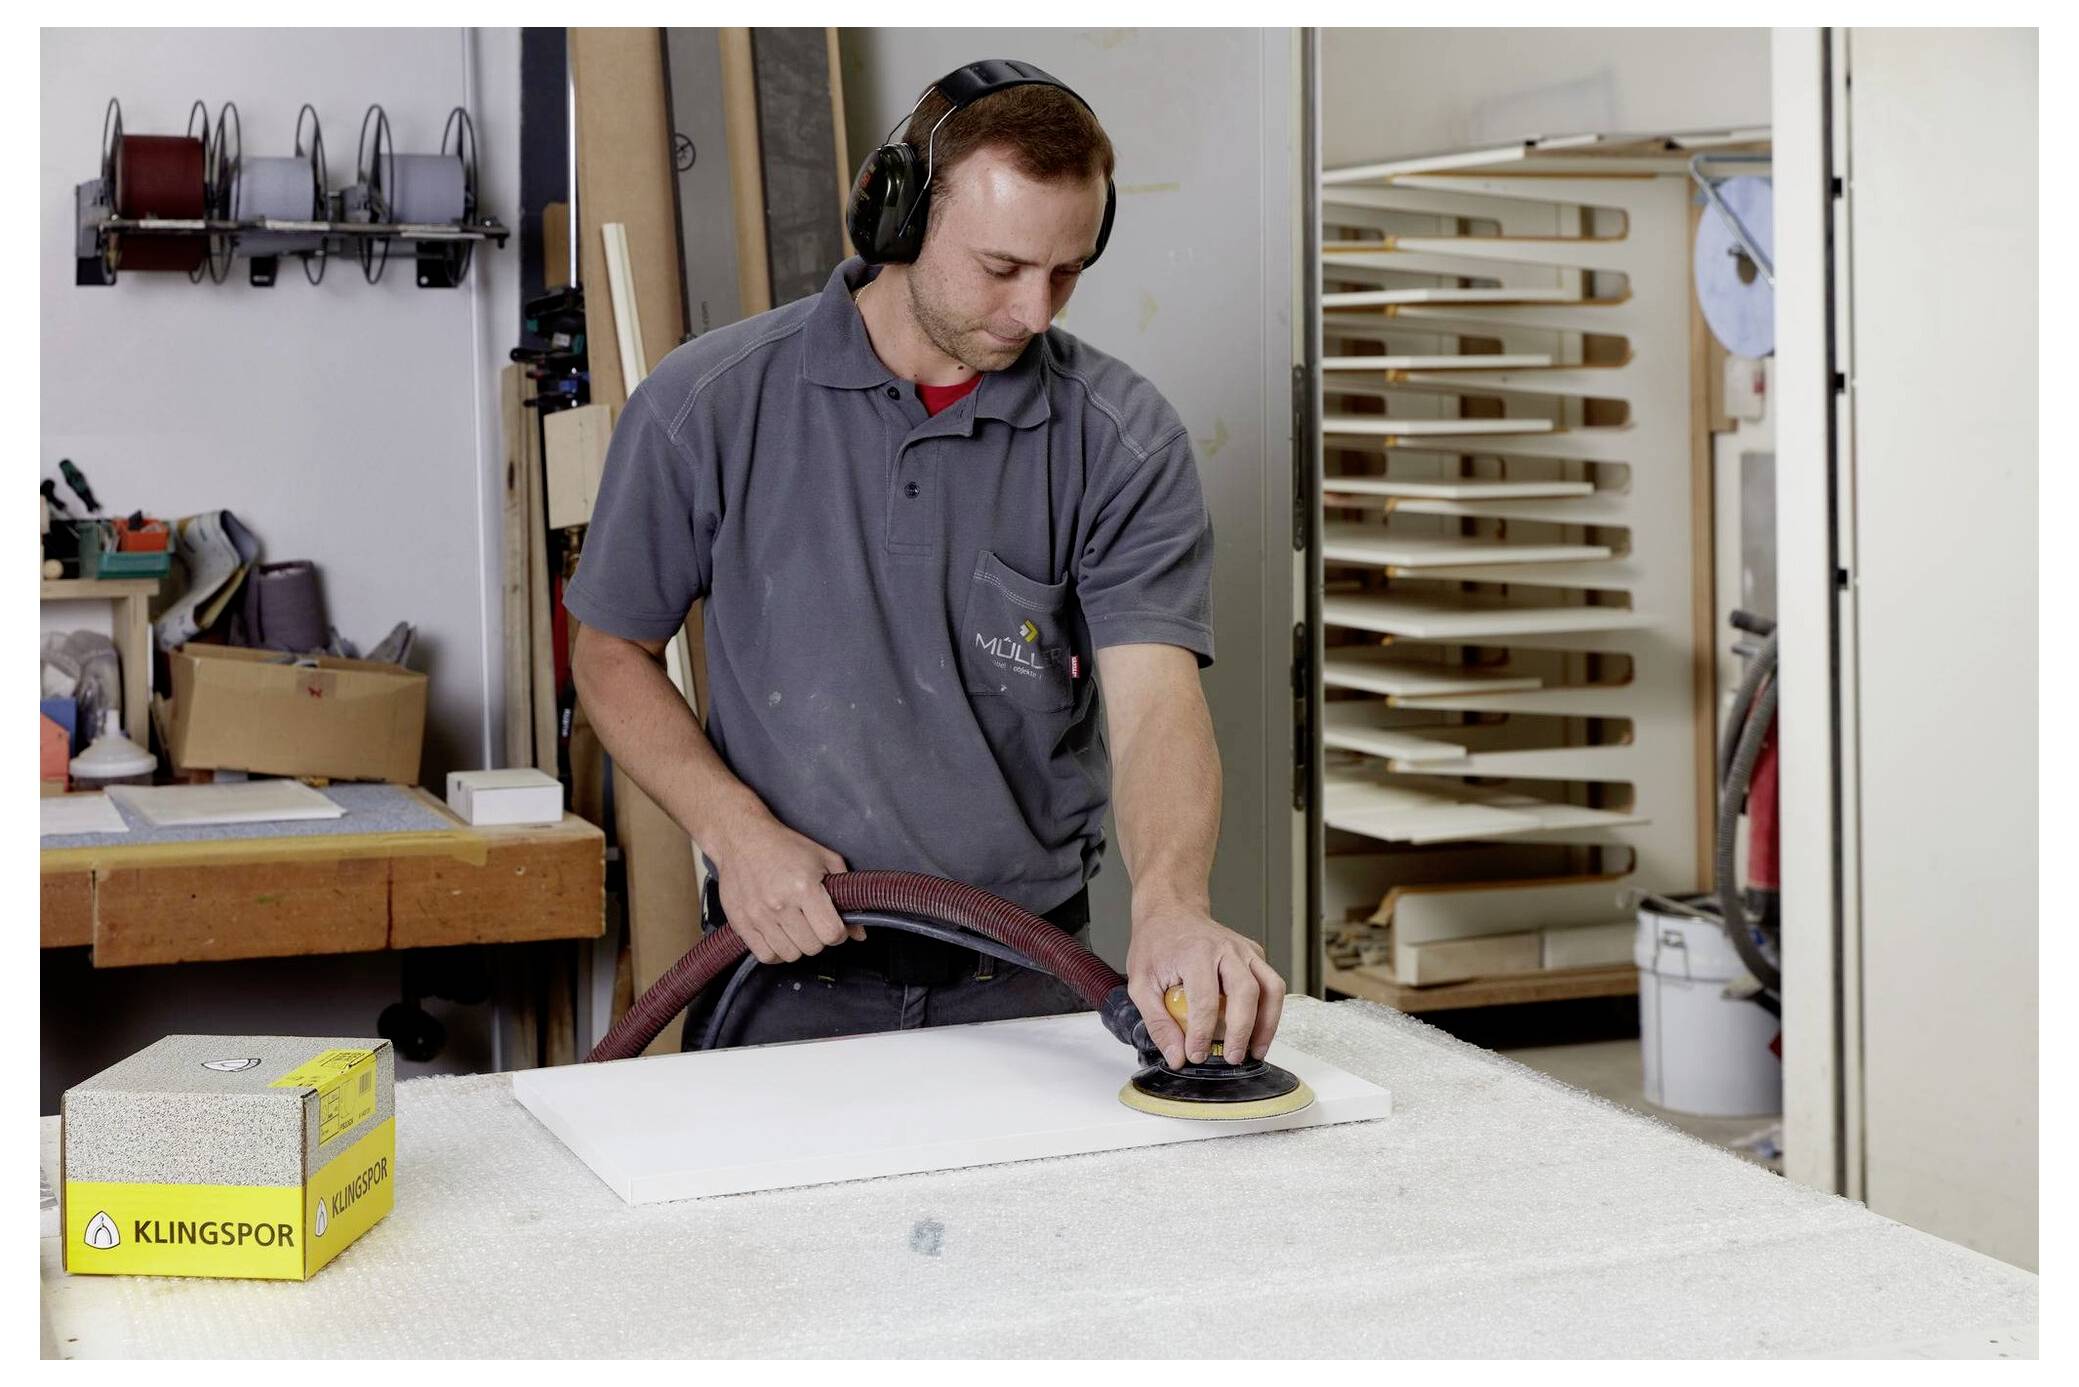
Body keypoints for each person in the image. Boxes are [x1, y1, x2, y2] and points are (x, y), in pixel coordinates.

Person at [565, 59, 1285, 1072]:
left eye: (1067, 271)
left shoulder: (1120, 441)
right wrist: (734, 831)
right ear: (896, 218)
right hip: (784, 971)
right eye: (1000, 268)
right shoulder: (709, 406)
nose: (1037, 312)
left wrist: (1173, 905)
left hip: (1027, 979)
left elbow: (1157, 706)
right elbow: (610, 653)